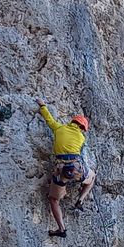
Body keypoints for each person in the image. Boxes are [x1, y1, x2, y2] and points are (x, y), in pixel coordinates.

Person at [36, 98, 95, 238]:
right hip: (78, 169)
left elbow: (49, 119)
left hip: (61, 170)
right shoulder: (81, 138)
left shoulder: (59, 128)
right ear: (82, 128)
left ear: (72, 122)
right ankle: (80, 200)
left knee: (53, 199)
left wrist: (43, 105)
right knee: (92, 176)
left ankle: (61, 229)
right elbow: (82, 154)